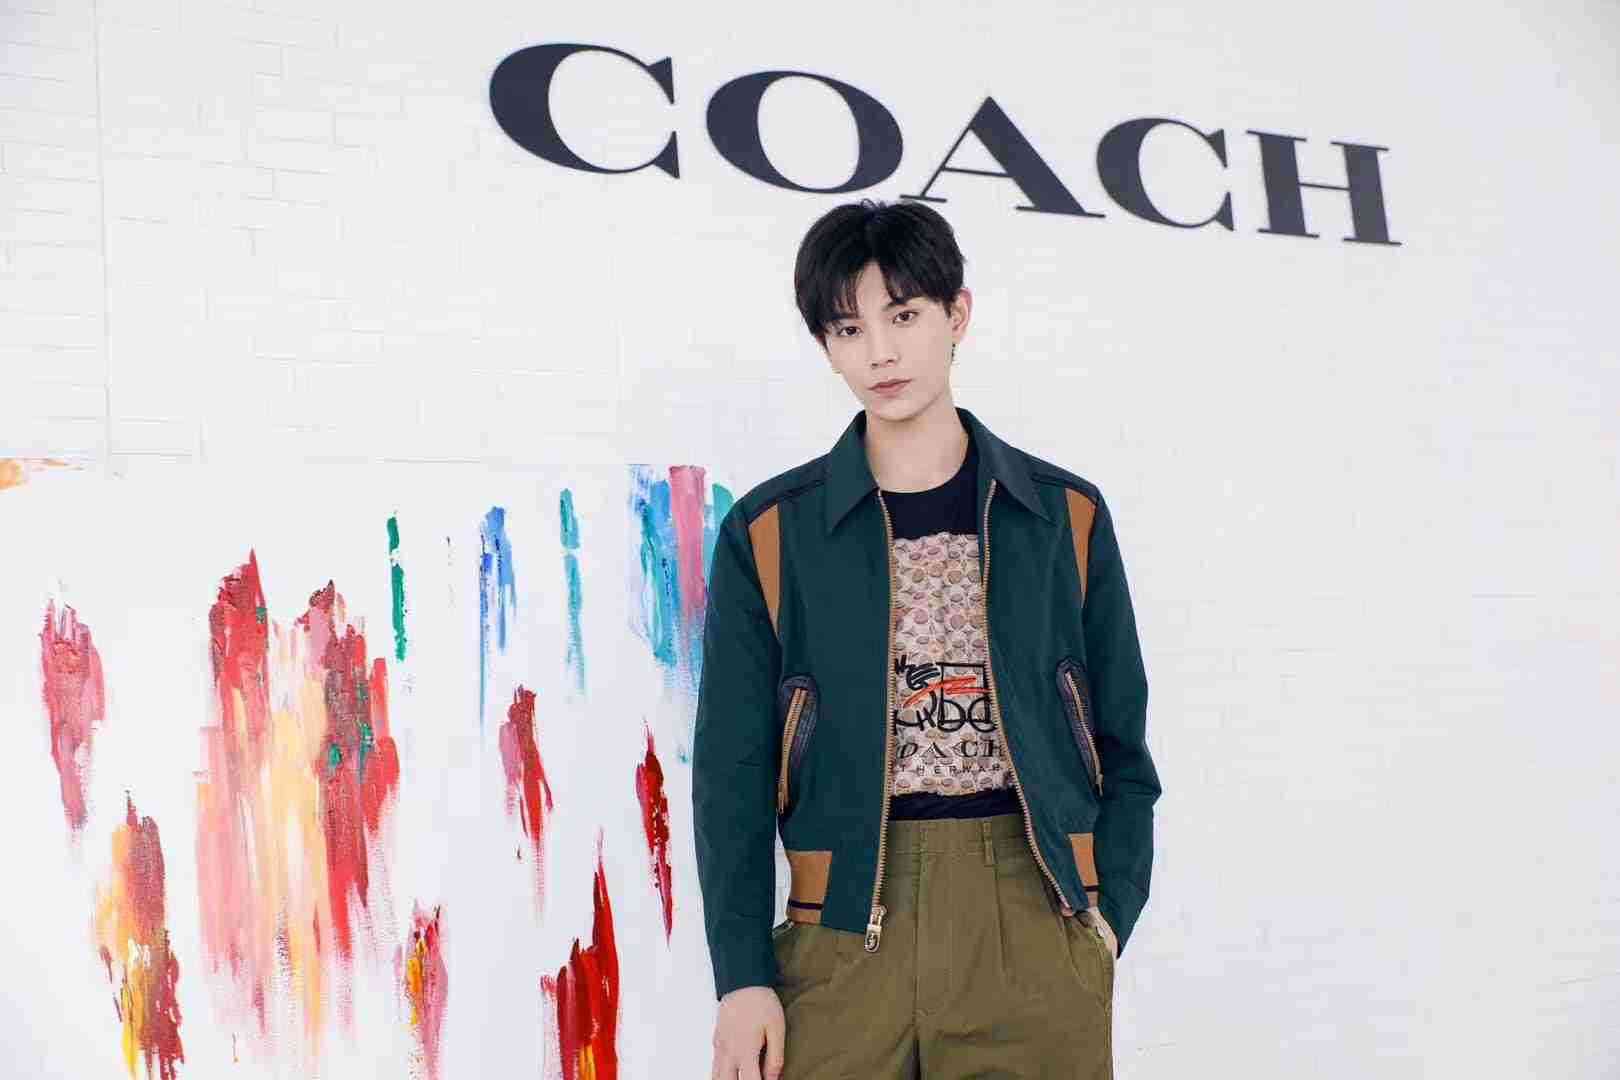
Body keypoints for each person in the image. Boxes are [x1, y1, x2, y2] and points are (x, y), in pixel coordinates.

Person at [692, 198, 1160, 1080]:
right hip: (839, 932)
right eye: (848, 328)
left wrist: (1107, 920)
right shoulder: (770, 532)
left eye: (903, 315)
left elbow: (1123, 747)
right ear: (827, 347)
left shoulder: (1064, 517)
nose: (880, 352)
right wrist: (743, 976)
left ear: (958, 315)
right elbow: (731, 776)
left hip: (1036, 916)